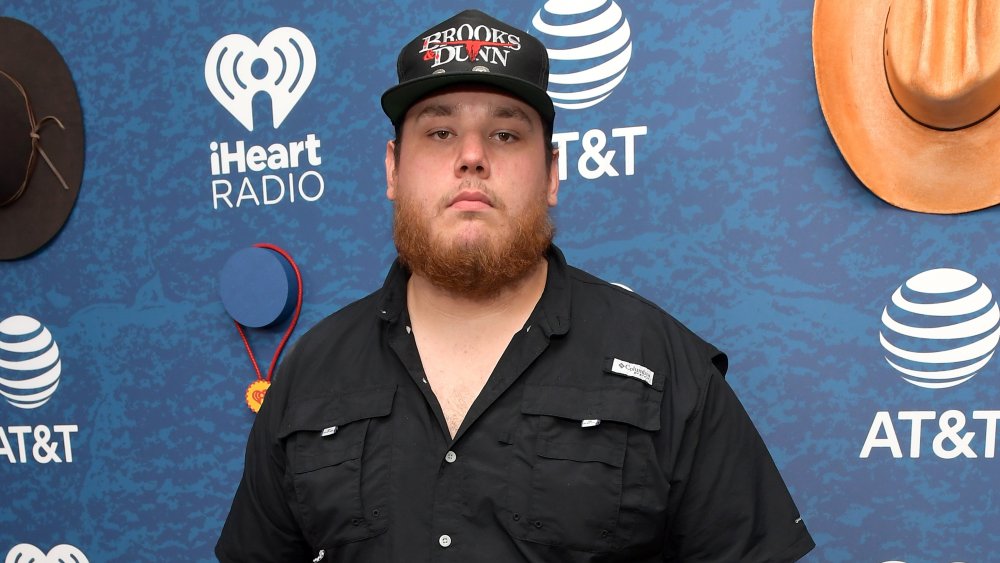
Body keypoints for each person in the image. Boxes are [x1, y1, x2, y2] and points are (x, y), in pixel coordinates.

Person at [216, 9, 815, 562]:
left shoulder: (663, 365)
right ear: (393, 170)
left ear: (553, 172)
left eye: (506, 134)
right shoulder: (312, 372)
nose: (472, 156)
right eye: (440, 132)